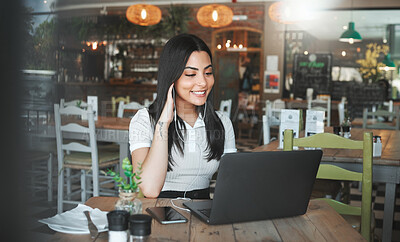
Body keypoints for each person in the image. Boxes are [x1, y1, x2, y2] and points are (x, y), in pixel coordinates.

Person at [129, 34, 236, 199]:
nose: (203, 82)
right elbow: (149, 189)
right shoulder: (144, 121)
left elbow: (231, 181)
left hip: (204, 213)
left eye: (208, 73)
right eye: (191, 74)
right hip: (160, 210)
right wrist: (163, 123)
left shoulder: (221, 122)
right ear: (172, 77)